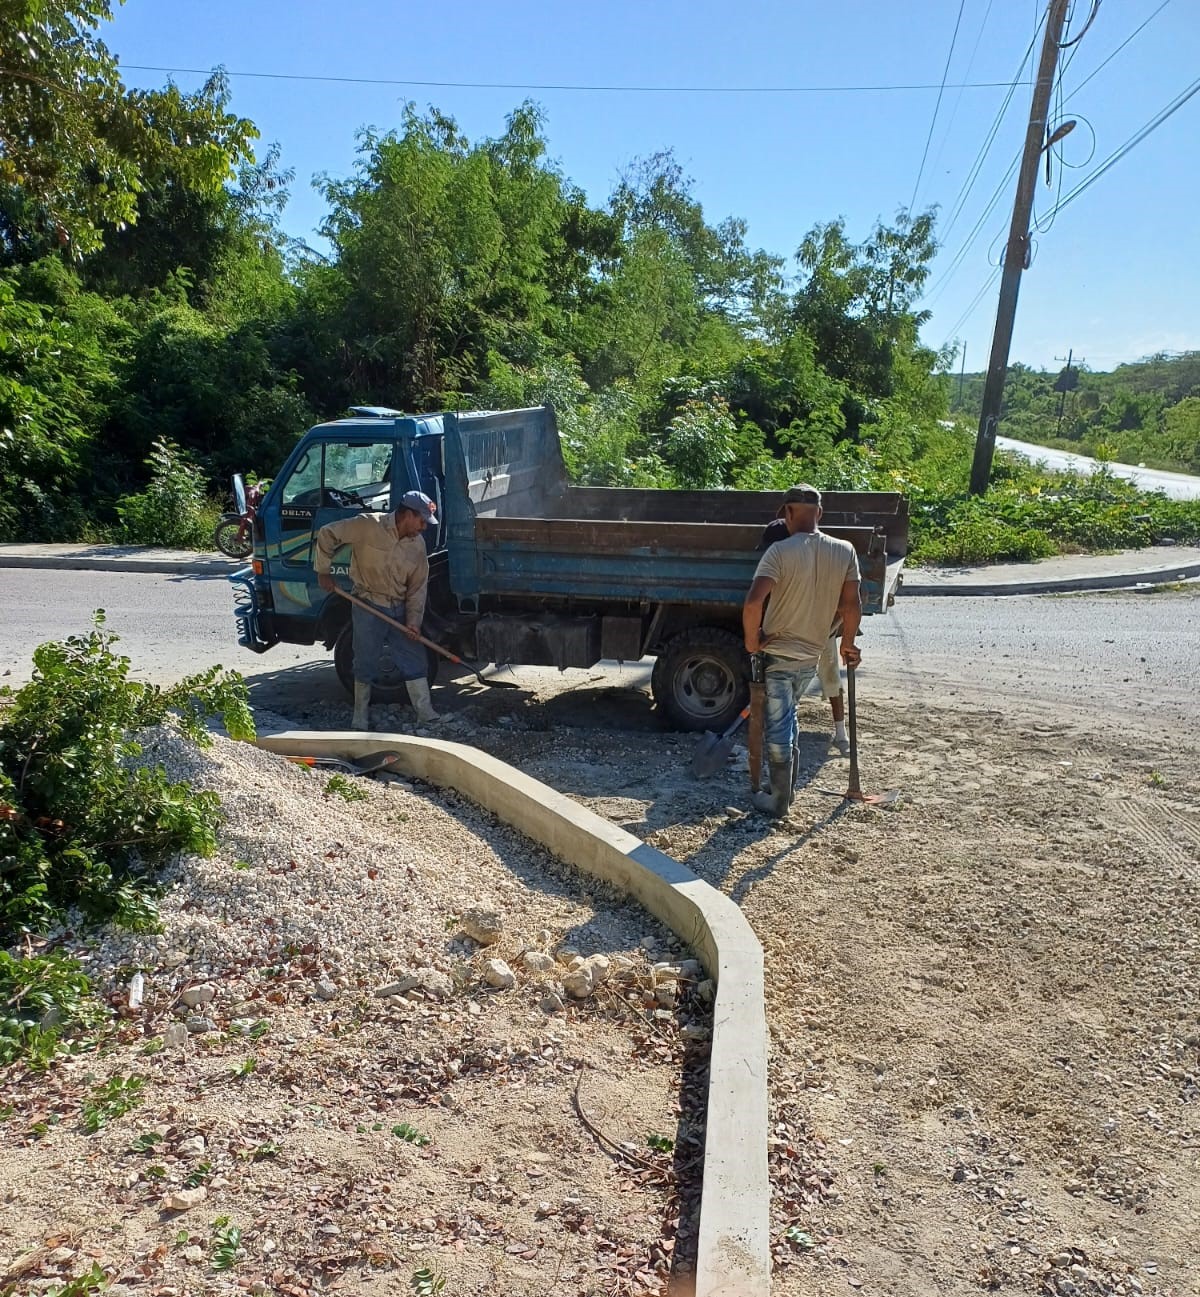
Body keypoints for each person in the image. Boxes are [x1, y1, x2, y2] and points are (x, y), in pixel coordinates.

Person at [743, 484, 862, 817]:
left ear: (787, 513)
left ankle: (778, 800)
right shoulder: (845, 551)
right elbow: (852, 604)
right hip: (811, 654)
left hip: (779, 652)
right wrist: (849, 643)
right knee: (790, 713)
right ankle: (786, 789)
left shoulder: (779, 552)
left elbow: (753, 603)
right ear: (819, 513)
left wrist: (752, 642)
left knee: (778, 722)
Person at [314, 490, 440, 730]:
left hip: (399, 608)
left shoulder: (417, 545)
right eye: (421, 521)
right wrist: (323, 571)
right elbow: (327, 533)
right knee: (365, 660)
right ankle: (360, 715)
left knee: (414, 657)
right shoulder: (367, 525)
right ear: (407, 515)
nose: (424, 527)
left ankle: (425, 712)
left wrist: (413, 621)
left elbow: (417, 588)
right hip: (368, 606)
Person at [758, 513, 850, 756]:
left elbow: (846, 605)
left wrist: (826, 632)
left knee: (829, 678)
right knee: (790, 704)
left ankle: (841, 734)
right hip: (804, 638)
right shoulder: (787, 560)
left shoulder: (807, 560)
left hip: (818, 634)